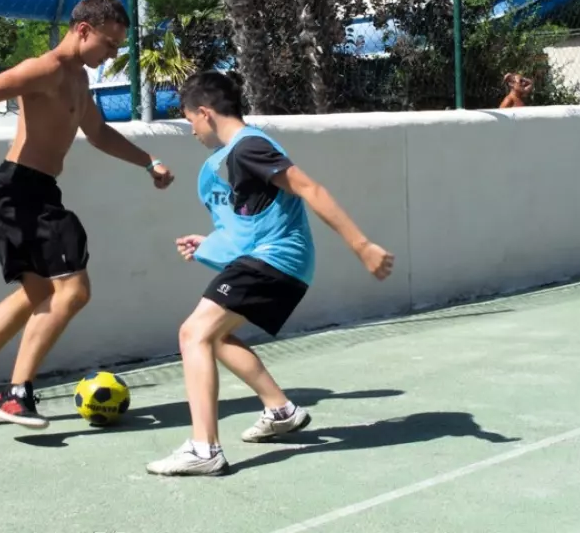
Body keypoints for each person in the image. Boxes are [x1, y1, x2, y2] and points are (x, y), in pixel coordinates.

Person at [0, 0, 174, 430]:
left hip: (32, 191)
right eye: (108, 44)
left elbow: (98, 133)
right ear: (83, 30)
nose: (111, 55)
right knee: (74, 291)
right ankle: (16, 394)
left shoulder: (78, 79)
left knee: (38, 292)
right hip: (18, 190)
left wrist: (148, 162)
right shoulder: (44, 69)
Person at [145, 71, 395, 477]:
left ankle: (204, 449)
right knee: (216, 337)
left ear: (206, 113)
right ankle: (280, 410)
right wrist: (208, 244)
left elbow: (310, 189)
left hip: (276, 260)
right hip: (277, 259)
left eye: (190, 120)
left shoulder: (249, 147)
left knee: (193, 334)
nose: (191, 130)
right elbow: (255, 223)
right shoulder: (244, 150)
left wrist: (361, 245)